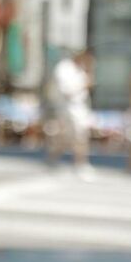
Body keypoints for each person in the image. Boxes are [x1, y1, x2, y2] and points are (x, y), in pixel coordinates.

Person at [47, 50, 94, 178]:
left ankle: (80, 163)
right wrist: (84, 84)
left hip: (80, 108)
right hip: (67, 108)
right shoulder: (64, 68)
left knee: (81, 136)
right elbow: (67, 91)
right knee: (67, 137)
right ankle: (56, 158)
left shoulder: (81, 69)